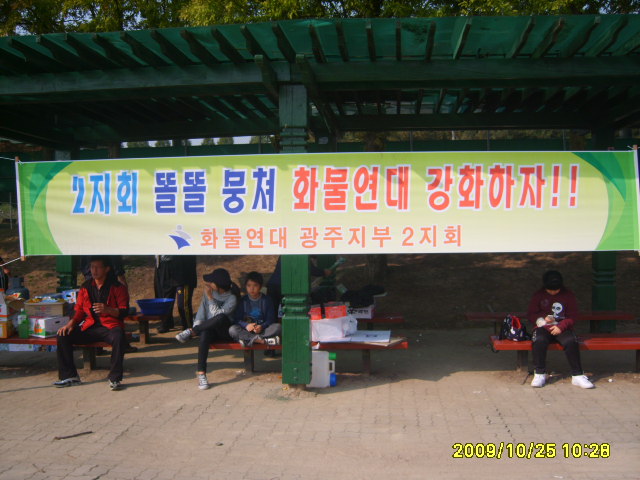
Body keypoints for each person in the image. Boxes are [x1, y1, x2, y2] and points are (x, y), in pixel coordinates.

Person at [55, 256, 130, 390]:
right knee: (63, 334)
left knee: (119, 336)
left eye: (97, 267)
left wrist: (108, 310)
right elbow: (79, 310)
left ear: (106, 269)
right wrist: (70, 324)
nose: (94, 271)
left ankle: (115, 378)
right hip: (89, 326)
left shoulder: (118, 287)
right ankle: (69, 376)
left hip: (110, 327)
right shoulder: (86, 287)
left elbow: (124, 311)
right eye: (92, 267)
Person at [527, 270, 594, 389]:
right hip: (543, 327)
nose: (553, 292)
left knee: (571, 341)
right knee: (539, 340)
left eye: (556, 290)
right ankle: (539, 373)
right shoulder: (538, 295)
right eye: (550, 290)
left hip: (562, 327)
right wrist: (543, 319)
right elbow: (531, 314)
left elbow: (572, 316)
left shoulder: (568, 295)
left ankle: (577, 375)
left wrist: (561, 326)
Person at [174, 268, 237, 390]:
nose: (208, 284)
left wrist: (210, 298)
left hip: (225, 332)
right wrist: (197, 326)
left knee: (221, 317)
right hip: (210, 329)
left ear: (218, 285)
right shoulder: (208, 293)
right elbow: (201, 313)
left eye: (211, 282)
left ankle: (191, 332)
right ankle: (201, 374)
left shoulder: (231, 298)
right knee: (204, 334)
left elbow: (216, 315)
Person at [229, 271, 281, 347]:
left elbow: (270, 319)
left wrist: (262, 326)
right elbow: (237, 320)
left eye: (255, 285)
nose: (252, 288)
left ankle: (248, 340)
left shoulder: (266, 300)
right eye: (249, 285)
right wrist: (246, 325)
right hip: (247, 330)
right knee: (232, 329)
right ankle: (262, 341)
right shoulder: (243, 301)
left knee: (278, 327)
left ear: (260, 287)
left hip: (262, 330)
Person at [154, 255, 197, 333]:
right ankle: (167, 323)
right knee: (165, 299)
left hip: (183, 266)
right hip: (163, 265)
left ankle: (188, 328)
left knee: (182, 303)